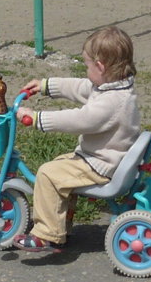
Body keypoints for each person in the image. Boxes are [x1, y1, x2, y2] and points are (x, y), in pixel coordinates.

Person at [13, 25, 141, 253]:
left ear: (100, 67)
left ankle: (47, 234)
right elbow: (81, 87)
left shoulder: (111, 102)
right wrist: (45, 86)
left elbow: (80, 120)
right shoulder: (112, 88)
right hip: (102, 158)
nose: (86, 71)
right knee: (60, 167)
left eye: (87, 65)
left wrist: (37, 119)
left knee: (48, 174)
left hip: (101, 165)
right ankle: (61, 224)